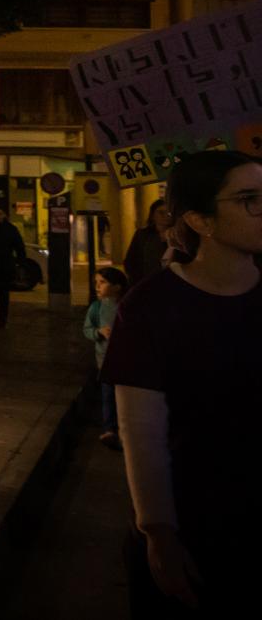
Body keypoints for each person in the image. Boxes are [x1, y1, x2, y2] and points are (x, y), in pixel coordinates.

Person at [101, 151, 262, 617]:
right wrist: (158, 531)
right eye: (249, 199)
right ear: (201, 220)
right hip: (194, 525)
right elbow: (142, 433)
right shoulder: (150, 308)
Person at [83, 266, 127, 449]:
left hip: (124, 361)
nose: (98, 287)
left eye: (103, 282)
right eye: (96, 283)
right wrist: (98, 332)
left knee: (122, 396)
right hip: (104, 360)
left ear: (117, 287)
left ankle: (123, 429)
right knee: (107, 394)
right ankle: (110, 429)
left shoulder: (125, 306)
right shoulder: (96, 308)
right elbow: (87, 329)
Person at [122, 199, 173, 288]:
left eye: (169, 213)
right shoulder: (143, 234)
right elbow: (131, 259)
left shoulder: (180, 235)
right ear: (153, 215)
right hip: (145, 281)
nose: (166, 216)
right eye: (161, 212)